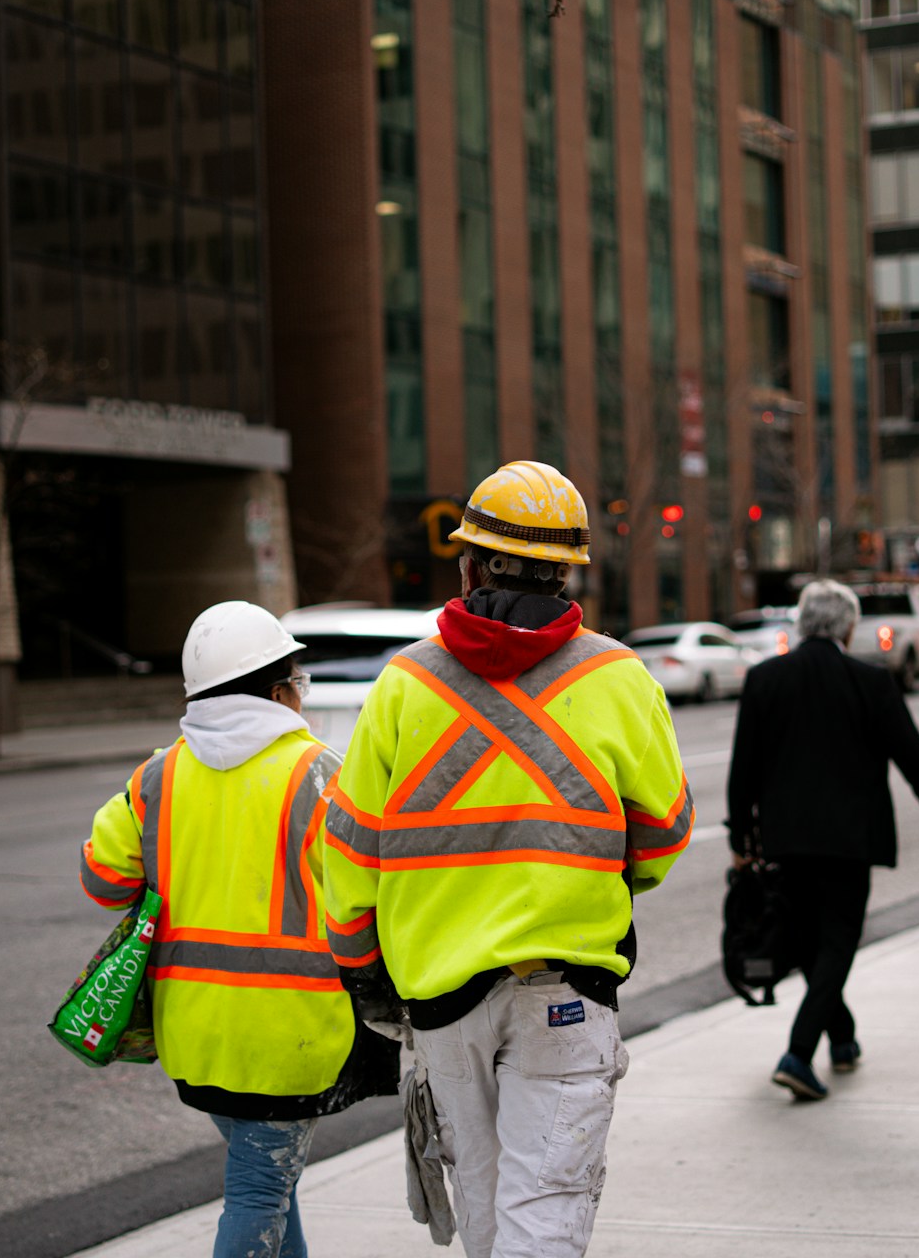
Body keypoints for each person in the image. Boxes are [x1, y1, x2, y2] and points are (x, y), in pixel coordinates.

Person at [321, 460, 693, 1258]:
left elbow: (349, 853)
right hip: (566, 988)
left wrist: (362, 966)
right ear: (566, 573)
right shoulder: (620, 678)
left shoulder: (404, 684)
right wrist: (595, 878)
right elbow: (661, 834)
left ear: (470, 563)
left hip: (439, 1002)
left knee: (488, 1222)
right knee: (545, 1220)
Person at [79, 600, 398, 1258]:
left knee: (271, 1181)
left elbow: (104, 881)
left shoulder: (158, 776)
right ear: (281, 691)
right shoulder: (321, 775)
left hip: (194, 1033)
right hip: (290, 1036)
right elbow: (368, 899)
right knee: (260, 1189)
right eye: (298, 685)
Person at [725, 578, 919, 1101]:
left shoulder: (766, 679)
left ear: (800, 623)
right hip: (849, 842)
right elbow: (915, 759)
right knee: (836, 944)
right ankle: (798, 1053)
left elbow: (742, 768)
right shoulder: (871, 681)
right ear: (849, 627)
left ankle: (842, 1037)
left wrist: (741, 837)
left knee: (812, 946)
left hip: (785, 840)